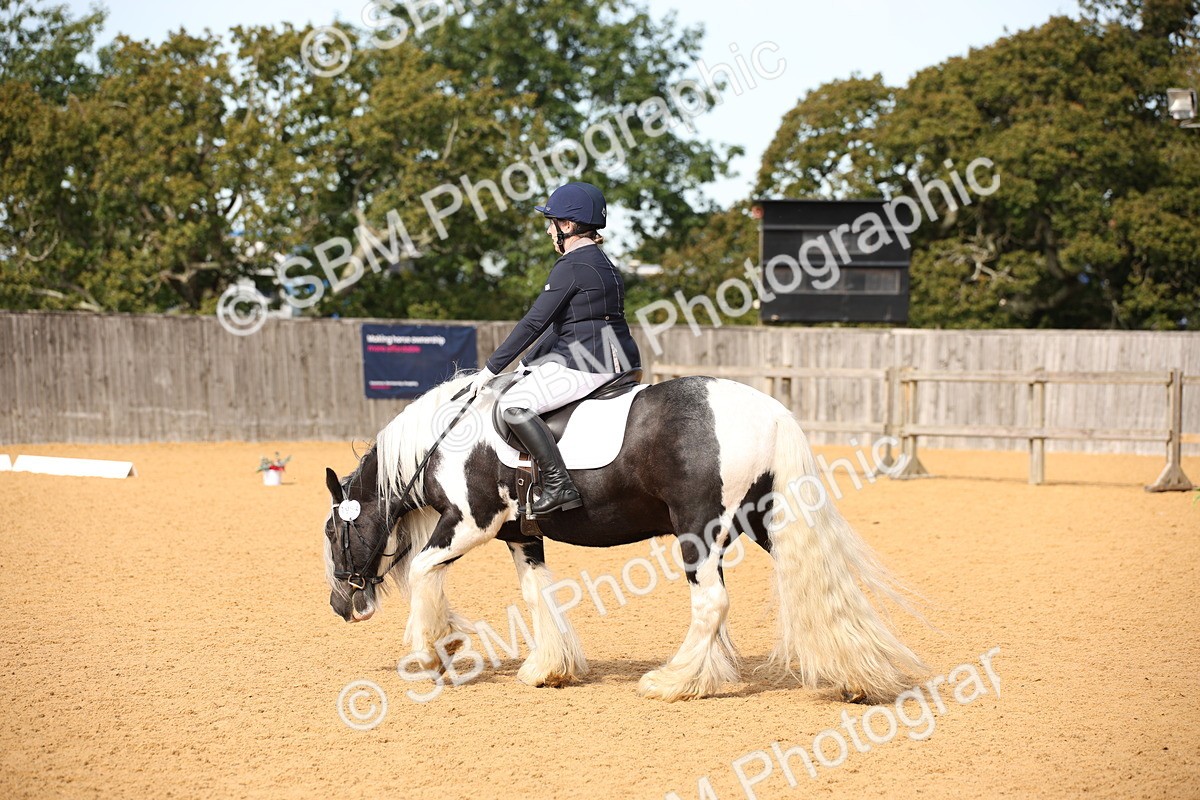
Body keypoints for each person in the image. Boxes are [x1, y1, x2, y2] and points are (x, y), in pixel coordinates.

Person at [468, 182, 641, 516]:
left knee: (514, 404)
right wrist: (526, 365)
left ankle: (558, 483)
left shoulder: (572, 265)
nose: (549, 230)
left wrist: (491, 369)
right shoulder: (606, 264)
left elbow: (535, 323)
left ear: (568, 226)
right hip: (619, 358)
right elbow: (565, 325)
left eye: (552, 222)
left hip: (589, 363)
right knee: (524, 386)